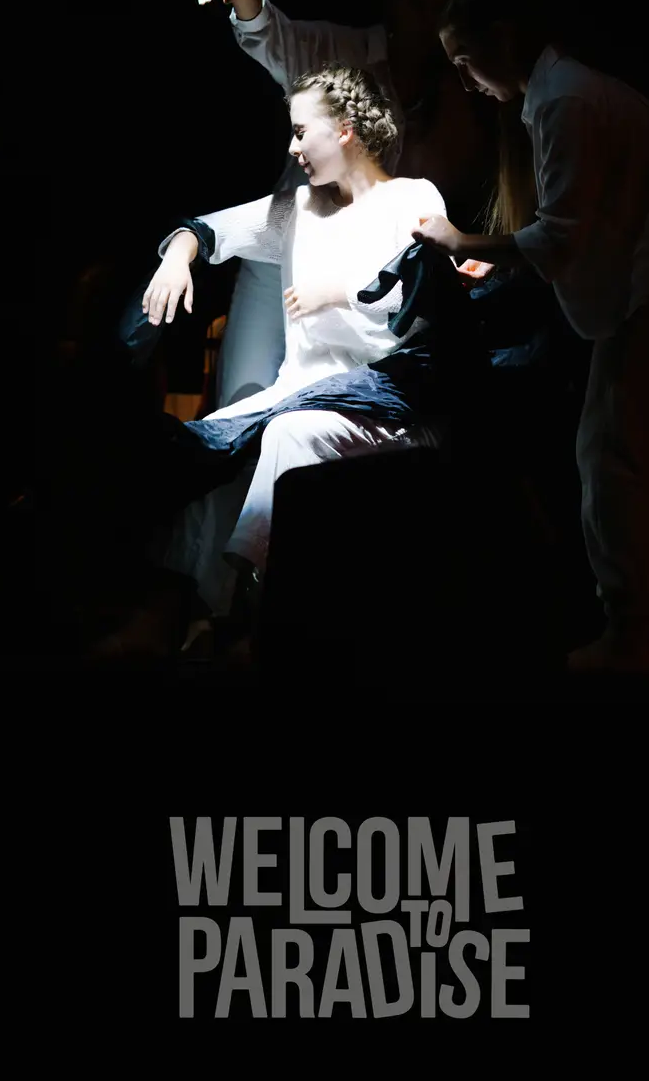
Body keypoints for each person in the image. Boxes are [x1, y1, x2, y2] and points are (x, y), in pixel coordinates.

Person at [411, 0, 649, 674]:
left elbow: (561, 236)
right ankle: (632, 628)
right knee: (613, 453)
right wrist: (501, 256)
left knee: (614, 455)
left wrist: (462, 240)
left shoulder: (566, 101)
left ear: (502, 38)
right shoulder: (559, 97)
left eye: (465, 60)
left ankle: (630, 636)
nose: (464, 81)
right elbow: (577, 227)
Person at [98, 64, 451, 660]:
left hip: (384, 397)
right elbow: (208, 230)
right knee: (208, 446)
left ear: (344, 130)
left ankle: (249, 610)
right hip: (301, 389)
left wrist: (341, 292)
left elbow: (428, 294)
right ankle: (197, 613)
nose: (291, 147)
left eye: (300, 132)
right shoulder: (298, 210)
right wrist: (178, 257)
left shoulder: (411, 197)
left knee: (289, 433)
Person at [195, 0, 491, 412]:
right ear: (393, 1)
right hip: (288, 251)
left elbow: (440, 203)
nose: (426, 21)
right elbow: (280, 40)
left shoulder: (457, 92)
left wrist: (457, 256)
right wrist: (248, 0)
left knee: (334, 405)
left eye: (438, 9)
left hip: (368, 274)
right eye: (417, 4)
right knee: (244, 394)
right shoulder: (343, 51)